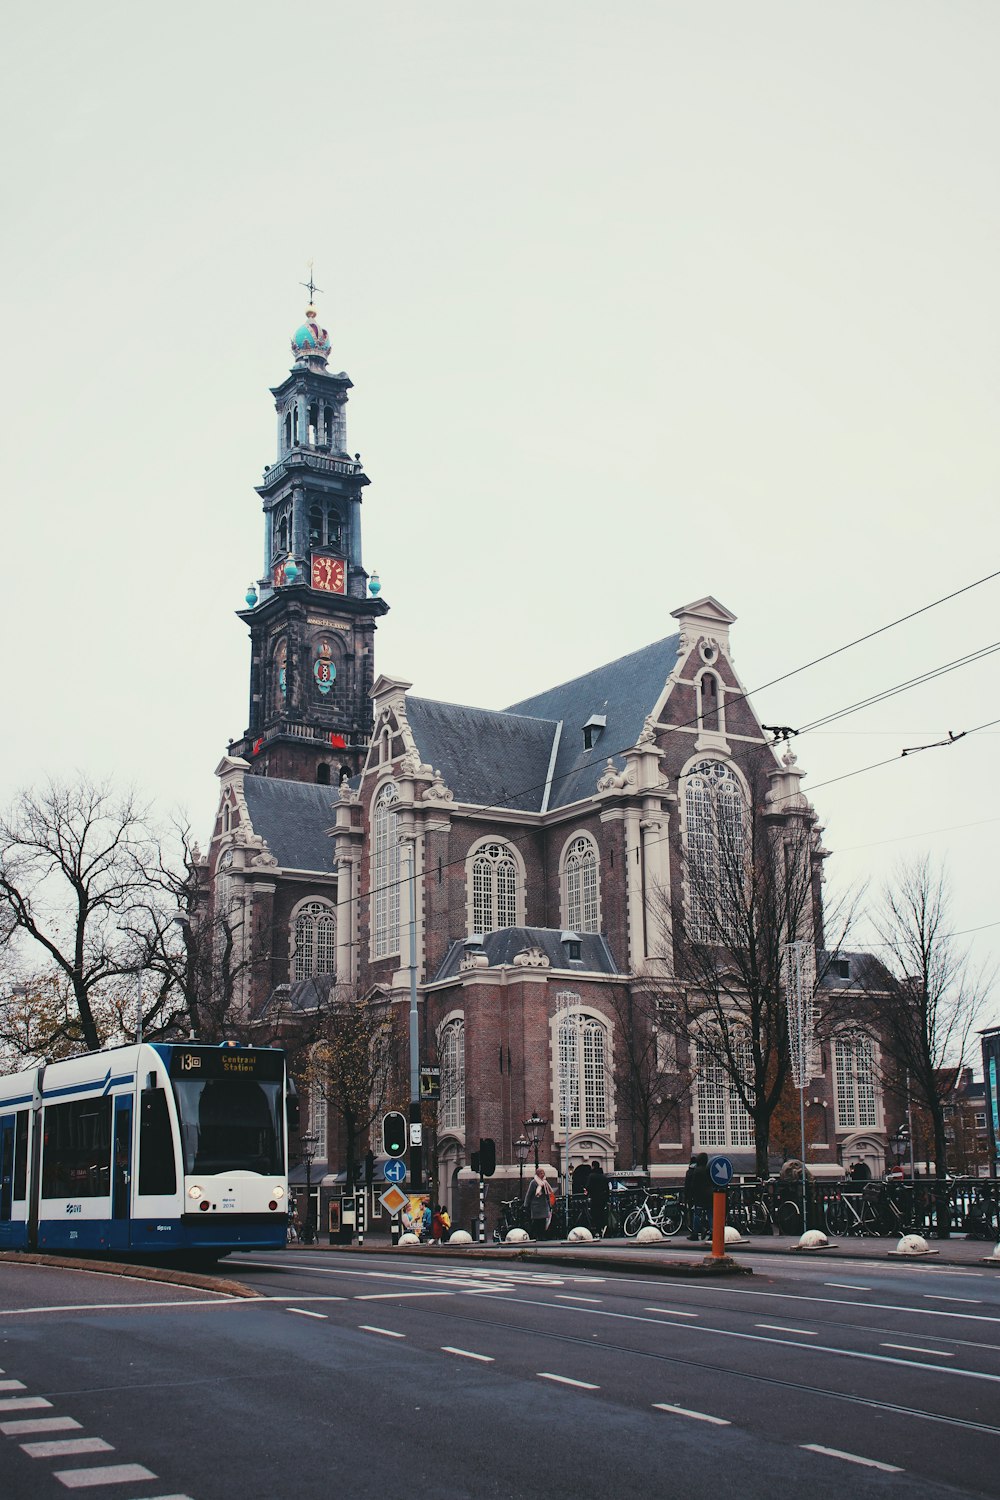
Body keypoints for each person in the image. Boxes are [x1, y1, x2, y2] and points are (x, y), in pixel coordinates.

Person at [685, 1152, 713, 1240]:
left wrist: (691, 1196)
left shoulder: (697, 1170)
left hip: (700, 1196)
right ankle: (713, 1232)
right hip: (710, 1195)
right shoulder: (709, 1169)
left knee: (697, 1214)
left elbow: (694, 1185)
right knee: (710, 1214)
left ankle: (695, 1233)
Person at [524, 1166, 554, 1240]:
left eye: (543, 1173)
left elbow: (547, 1194)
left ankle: (542, 1235)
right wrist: (526, 1204)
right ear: (537, 1174)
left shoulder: (545, 1182)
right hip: (536, 1206)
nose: (543, 1174)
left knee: (543, 1221)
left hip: (543, 1205)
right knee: (537, 1221)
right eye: (541, 1173)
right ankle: (537, 1235)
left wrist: (550, 1204)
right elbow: (529, 1194)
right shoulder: (533, 1182)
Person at [586, 1159, 609, 1237]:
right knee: (601, 1214)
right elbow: (607, 1188)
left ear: (593, 1166)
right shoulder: (604, 1177)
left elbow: (588, 1187)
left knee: (594, 1214)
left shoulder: (591, 1176)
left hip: (595, 1198)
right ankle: (602, 1228)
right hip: (603, 1199)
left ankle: (596, 1231)